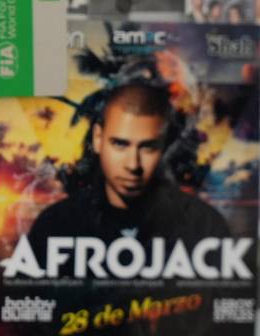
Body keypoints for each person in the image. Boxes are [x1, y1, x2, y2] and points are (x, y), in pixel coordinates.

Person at [24, 82, 233, 334]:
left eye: (148, 147)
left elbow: (226, 322)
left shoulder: (203, 227)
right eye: (120, 144)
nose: (133, 165)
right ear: (98, 139)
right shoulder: (56, 225)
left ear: (164, 147)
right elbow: (30, 320)